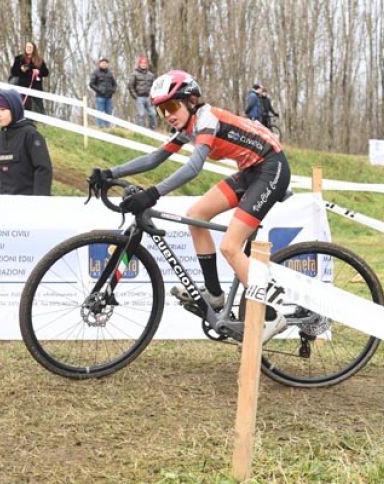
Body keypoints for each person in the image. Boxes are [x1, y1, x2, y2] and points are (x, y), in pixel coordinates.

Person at [88, 70, 290, 342]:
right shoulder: (188, 127)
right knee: (196, 215)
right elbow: (155, 158)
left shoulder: (206, 119)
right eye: (161, 111)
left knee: (230, 246)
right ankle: (215, 296)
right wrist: (111, 173)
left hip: (270, 168)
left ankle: (271, 316)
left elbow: (194, 168)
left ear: (191, 100)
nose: (168, 115)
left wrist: (153, 193)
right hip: (251, 170)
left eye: (172, 106)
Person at [0, 89, 53, 195]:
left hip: (28, 205)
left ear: (15, 109)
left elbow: (43, 170)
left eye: (3, 109)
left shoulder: (31, 135)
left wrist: (40, 204)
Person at [9, 41, 50, 114]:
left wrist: (39, 72)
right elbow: (13, 72)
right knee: (25, 106)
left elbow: (46, 72)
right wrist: (21, 69)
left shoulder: (39, 60)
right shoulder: (19, 59)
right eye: (27, 47)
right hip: (23, 86)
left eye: (30, 47)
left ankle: (43, 123)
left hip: (35, 86)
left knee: (39, 107)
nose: (28, 49)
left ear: (34, 49)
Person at [128, 56, 156, 129]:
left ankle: (151, 130)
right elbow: (130, 86)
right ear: (139, 64)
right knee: (141, 114)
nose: (143, 64)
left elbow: (154, 87)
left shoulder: (151, 75)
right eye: (142, 63)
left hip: (148, 97)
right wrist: (135, 96)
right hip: (139, 97)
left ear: (147, 64)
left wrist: (152, 96)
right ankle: (140, 131)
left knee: (153, 114)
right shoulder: (134, 74)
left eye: (145, 63)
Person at [89, 58, 117, 128]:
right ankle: (101, 126)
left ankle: (107, 126)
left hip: (109, 96)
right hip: (100, 96)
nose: (104, 64)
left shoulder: (110, 73)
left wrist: (113, 90)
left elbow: (115, 84)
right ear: (100, 64)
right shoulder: (96, 72)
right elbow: (91, 84)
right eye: (103, 63)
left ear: (107, 64)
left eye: (106, 63)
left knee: (109, 112)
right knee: (100, 111)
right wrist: (99, 90)